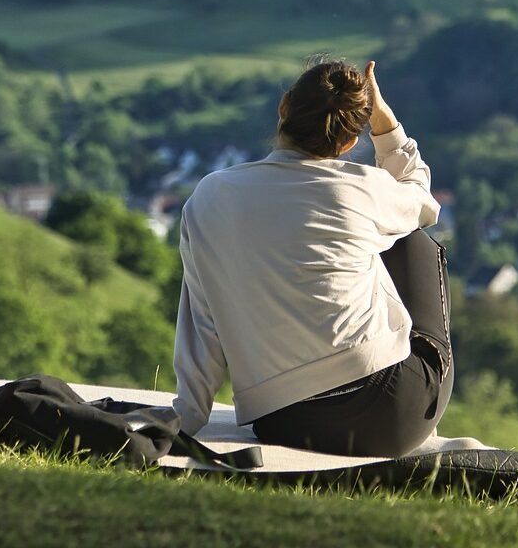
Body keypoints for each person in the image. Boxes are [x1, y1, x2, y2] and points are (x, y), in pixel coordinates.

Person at [172, 56, 453, 458]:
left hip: (282, 421)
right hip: (390, 417)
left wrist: (189, 413)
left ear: (284, 107)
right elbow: (422, 200)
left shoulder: (210, 196)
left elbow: (203, 317)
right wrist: (385, 125)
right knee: (411, 239)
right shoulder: (363, 189)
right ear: (349, 142)